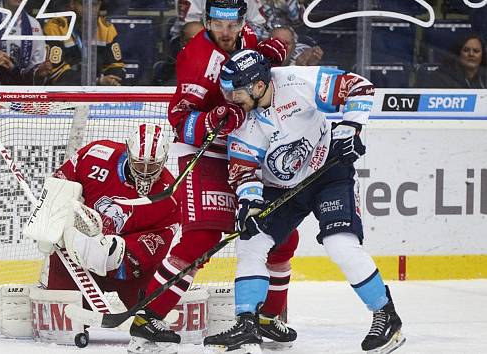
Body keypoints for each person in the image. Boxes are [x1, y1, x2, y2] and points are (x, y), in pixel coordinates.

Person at [203, 49, 405, 354]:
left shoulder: (298, 82)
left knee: (340, 243)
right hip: (281, 189)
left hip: (329, 174)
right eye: (226, 92)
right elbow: (244, 173)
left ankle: (386, 316)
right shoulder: (242, 122)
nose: (231, 99)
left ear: (259, 86)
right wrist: (249, 204)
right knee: (250, 242)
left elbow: (360, 86)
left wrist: (350, 126)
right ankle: (247, 324)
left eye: (236, 92)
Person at [127, 0, 299, 352]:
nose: (226, 32)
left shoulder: (248, 37)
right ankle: (148, 318)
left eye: (232, 24)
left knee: (283, 235)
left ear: (242, 21)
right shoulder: (195, 57)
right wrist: (212, 118)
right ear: (206, 21)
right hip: (206, 154)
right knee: (200, 240)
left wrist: (269, 55)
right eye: (218, 23)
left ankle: (269, 318)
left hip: (251, 149)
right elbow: (179, 120)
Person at [46, 123, 181, 316]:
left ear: (165, 160)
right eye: (138, 163)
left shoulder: (170, 197)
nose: (144, 171)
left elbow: (156, 244)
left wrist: (116, 253)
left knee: (154, 318)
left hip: (131, 271)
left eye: (152, 165)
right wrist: (53, 223)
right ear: (128, 151)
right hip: (79, 259)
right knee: (62, 321)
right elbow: (59, 186)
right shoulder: (96, 155)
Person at [43, 0, 126, 86]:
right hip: (65, 92)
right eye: (83, 4)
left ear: (100, 5)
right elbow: (56, 73)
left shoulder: (106, 28)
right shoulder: (56, 27)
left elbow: (116, 65)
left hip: (97, 90)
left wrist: (112, 80)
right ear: (72, 4)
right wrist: (97, 81)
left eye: (94, 4)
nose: (89, 9)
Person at [415, 33, 486, 89]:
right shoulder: (440, 76)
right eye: (466, 50)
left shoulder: (484, 78)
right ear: (458, 53)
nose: (471, 54)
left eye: (476, 51)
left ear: (482, 55)